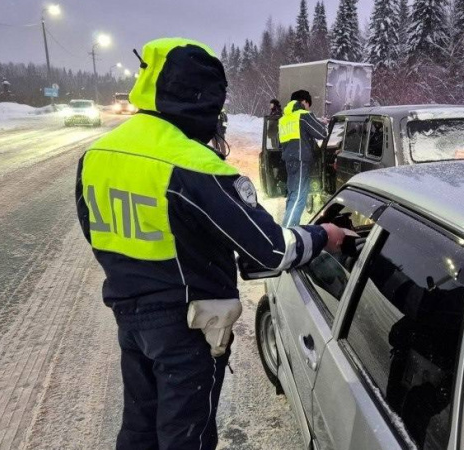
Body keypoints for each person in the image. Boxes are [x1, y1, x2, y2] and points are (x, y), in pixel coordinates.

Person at [75, 37, 347, 450]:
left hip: (129, 316)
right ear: (201, 101)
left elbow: (95, 232)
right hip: (186, 327)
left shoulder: (98, 153)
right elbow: (269, 251)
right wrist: (323, 235)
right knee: (188, 438)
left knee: (139, 429)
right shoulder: (194, 165)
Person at [279, 90, 328, 227]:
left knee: (292, 195)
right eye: (308, 104)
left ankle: (287, 226)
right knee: (299, 196)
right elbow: (321, 133)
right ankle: (288, 231)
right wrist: (322, 123)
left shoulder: (284, 119)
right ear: (304, 102)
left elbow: (280, 142)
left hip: (289, 161)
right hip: (301, 161)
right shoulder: (303, 116)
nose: (308, 108)